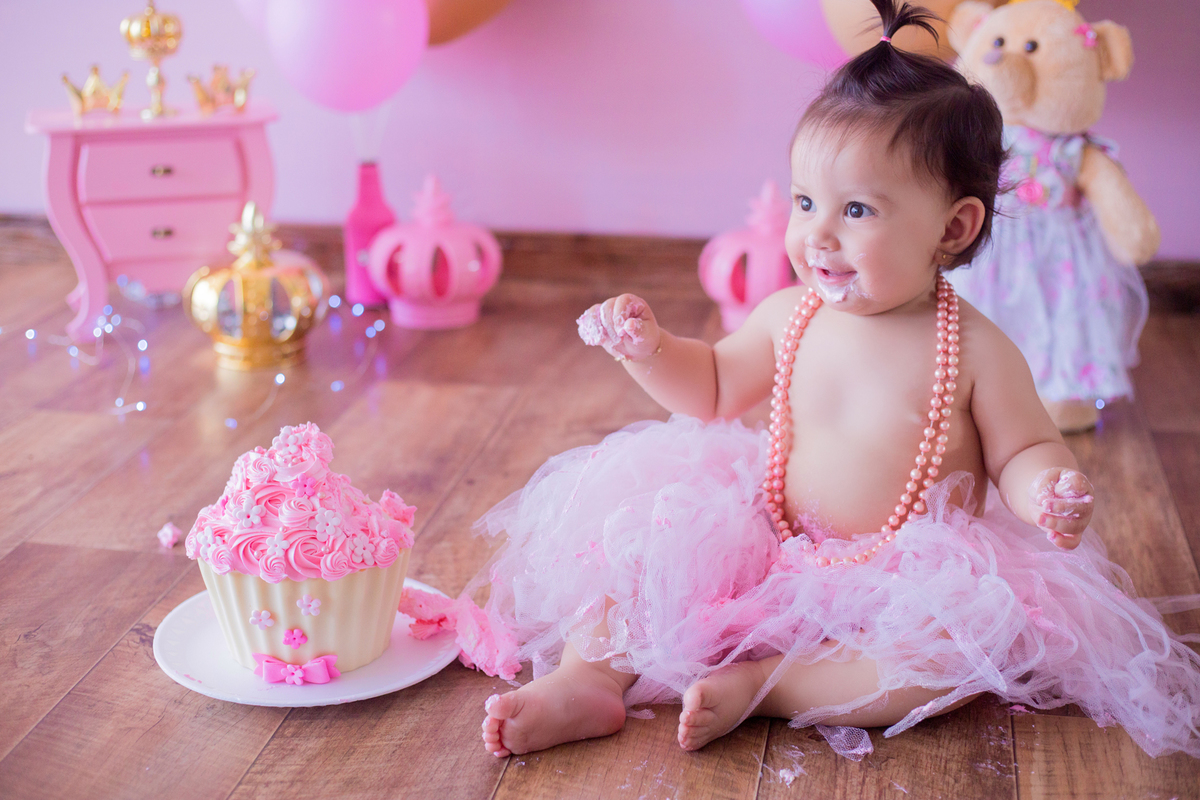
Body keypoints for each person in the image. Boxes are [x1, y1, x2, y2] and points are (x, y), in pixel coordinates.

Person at [402, 0, 1200, 761]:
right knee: (637, 545)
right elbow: (712, 386)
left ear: (953, 227)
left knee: (958, 656)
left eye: (858, 211)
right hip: (763, 536)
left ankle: (774, 684)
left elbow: (1023, 447)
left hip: (906, 572)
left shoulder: (979, 348)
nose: (817, 232)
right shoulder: (791, 315)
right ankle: (588, 678)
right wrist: (650, 351)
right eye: (806, 200)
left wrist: (1046, 489)